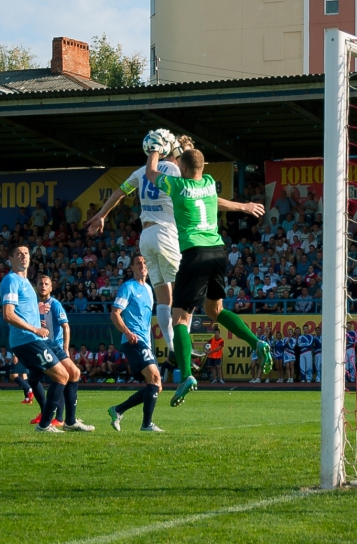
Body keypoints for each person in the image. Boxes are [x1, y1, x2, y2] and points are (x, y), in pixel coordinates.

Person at [143, 145, 268, 407]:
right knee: (215, 310)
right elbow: (199, 171)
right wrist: (243, 206)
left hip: (194, 253)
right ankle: (255, 342)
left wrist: (154, 148)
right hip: (218, 252)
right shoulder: (210, 183)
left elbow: (150, 171)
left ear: (183, 168)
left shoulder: (176, 186)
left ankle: (186, 375)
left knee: (180, 318)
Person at [87, 133, 185, 371]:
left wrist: (102, 215)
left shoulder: (141, 172)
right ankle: (183, 346)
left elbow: (119, 194)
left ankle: (172, 347)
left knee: (164, 297)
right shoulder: (173, 170)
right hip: (165, 232)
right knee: (182, 294)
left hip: (146, 236)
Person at [0, 245, 71, 433]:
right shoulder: (11, 280)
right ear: (11, 259)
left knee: (64, 373)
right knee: (62, 375)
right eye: (19, 254)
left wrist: (37, 315)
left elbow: (23, 310)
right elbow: (8, 314)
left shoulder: (27, 284)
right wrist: (35, 329)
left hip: (34, 338)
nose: (23, 257)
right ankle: (47, 424)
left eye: (26, 254)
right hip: (27, 339)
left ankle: (65, 420)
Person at [108, 255, 164, 432]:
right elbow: (115, 313)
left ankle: (118, 410)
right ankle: (146, 424)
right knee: (154, 379)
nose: (142, 266)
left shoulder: (148, 289)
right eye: (138, 263)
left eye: (145, 263)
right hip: (133, 340)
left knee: (156, 385)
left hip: (145, 342)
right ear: (132, 267)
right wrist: (127, 332)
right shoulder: (128, 287)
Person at [36, 276, 93, 431]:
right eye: (40, 283)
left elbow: (66, 327)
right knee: (37, 380)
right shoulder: (33, 305)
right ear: (36, 286)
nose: (43, 286)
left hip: (55, 347)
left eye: (46, 284)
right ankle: (54, 418)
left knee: (63, 377)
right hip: (38, 346)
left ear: (51, 288)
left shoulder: (54, 304)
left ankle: (58, 418)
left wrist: (66, 348)